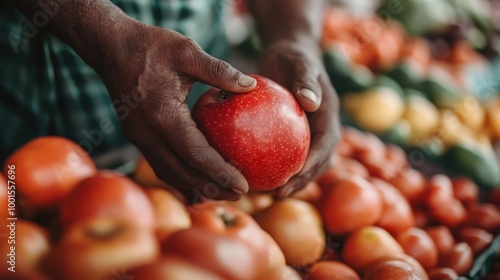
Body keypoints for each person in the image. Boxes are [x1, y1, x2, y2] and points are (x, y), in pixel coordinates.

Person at [1, 0, 340, 201]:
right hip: (32, 80)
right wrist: (108, 36)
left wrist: (296, 37)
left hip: (197, 91)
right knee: (17, 210)